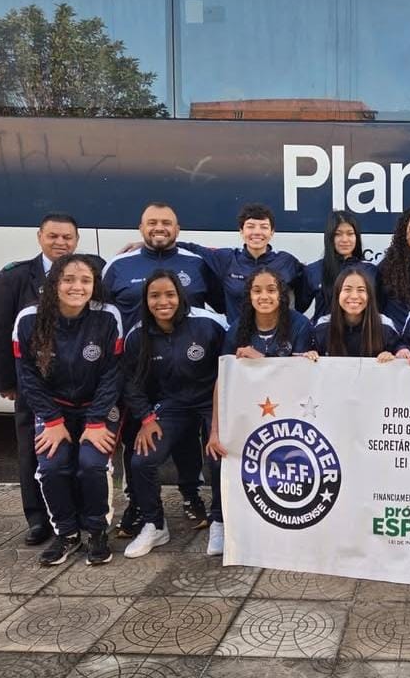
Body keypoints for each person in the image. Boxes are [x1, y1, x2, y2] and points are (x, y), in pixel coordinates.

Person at [103, 202, 223, 533]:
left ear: (178, 228)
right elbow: (102, 314)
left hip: (192, 370)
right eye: (152, 222)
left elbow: (222, 303)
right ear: (140, 227)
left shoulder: (196, 262)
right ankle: (139, 506)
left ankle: (192, 496)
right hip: (142, 371)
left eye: (166, 222)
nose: (159, 228)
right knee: (139, 442)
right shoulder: (119, 264)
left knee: (193, 443)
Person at [12, 254, 124, 566]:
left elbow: (113, 373)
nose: (77, 287)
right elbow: (27, 376)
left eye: (85, 280)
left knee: (92, 464)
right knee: (52, 467)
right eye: (69, 280)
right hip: (54, 411)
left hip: (99, 408)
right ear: (54, 284)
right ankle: (67, 533)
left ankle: (97, 531)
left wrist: (96, 421)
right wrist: (51, 420)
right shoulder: (29, 319)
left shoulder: (108, 316)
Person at [0, 212, 81, 547]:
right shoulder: (15, 277)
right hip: (33, 383)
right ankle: (38, 519)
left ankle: (74, 514)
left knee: (74, 451)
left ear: (76, 241)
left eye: (67, 237)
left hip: (76, 381)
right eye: (53, 236)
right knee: (33, 449)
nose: (60, 242)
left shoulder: (88, 272)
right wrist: (4, 381)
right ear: (40, 237)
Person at [206, 268, 318, 556]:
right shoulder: (237, 328)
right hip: (247, 412)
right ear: (249, 295)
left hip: (289, 412)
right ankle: (219, 520)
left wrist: (264, 360)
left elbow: (301, 376)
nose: (264, 296)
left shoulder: (299, 324)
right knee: (220, 457)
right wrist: (215, 430)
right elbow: (223, 379)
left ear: (281, 295)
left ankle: (284, 524)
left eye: (271, 290)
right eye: (257, 290)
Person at [122, 270, 228, 558]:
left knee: (219, 458)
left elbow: (230, 365)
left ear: (180, 295)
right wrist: (146, 418)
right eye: (154, 296)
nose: (163, 302)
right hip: (172, 405)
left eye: (169, 294)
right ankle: (155, 525)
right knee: (142, 460)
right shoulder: (138, 334)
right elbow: (131, 382)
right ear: (146, 300)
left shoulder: (208, 323)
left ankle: (220, 520)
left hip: (213, 401)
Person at [181, 202, 303, 324]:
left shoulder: (287, 261)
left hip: (276, 333)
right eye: (250, 226)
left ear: (272, 232)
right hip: (236, 333)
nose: (257, 232)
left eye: (264, 227)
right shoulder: (227, 258)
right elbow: (192, 248)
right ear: (241, 231)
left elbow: (304, 290)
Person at [298, 210, 377, 323]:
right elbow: (298, 307)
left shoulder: (370, 271)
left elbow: (378, 308)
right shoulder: (314, 270)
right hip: (325, 332)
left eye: (350, 233)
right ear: (329, 237)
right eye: (338, 234)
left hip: (362, 332)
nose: (344, 239)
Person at [314, 268, 400, 360]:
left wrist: (391, 355)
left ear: (369, 295)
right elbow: (312, 353)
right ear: (337, 294)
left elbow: (400, 350)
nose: (354, 296)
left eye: (361, 290)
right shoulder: (323, 326)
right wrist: (311, 354)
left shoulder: (384, 326)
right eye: (347, 289)